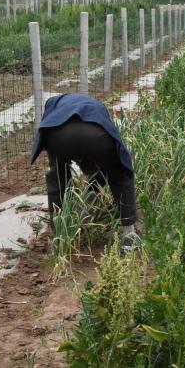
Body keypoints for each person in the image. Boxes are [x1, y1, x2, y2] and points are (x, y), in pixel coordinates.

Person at [30, 93, 140, 251]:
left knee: (58, 180)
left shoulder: (54, 107)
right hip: (96, 135)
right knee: (119, 174)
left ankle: (60, 238)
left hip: (57, 136)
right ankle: (129, 235)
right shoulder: (96, 105)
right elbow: (102, 156)